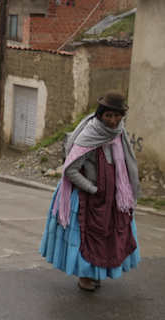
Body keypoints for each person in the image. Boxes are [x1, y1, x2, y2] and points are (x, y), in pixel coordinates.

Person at [40, 89, 141, 292]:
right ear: (100, 114)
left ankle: (97, 272)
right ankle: (84, 275)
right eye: (108, 115)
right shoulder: (90, 134)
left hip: (112, 197)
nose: (113, 120)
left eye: (117, 115)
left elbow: (126, 165)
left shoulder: (119, 132)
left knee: (107, 236)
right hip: (86, 195)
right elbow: (71, 170)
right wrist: (93, 190)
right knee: (86, 237)